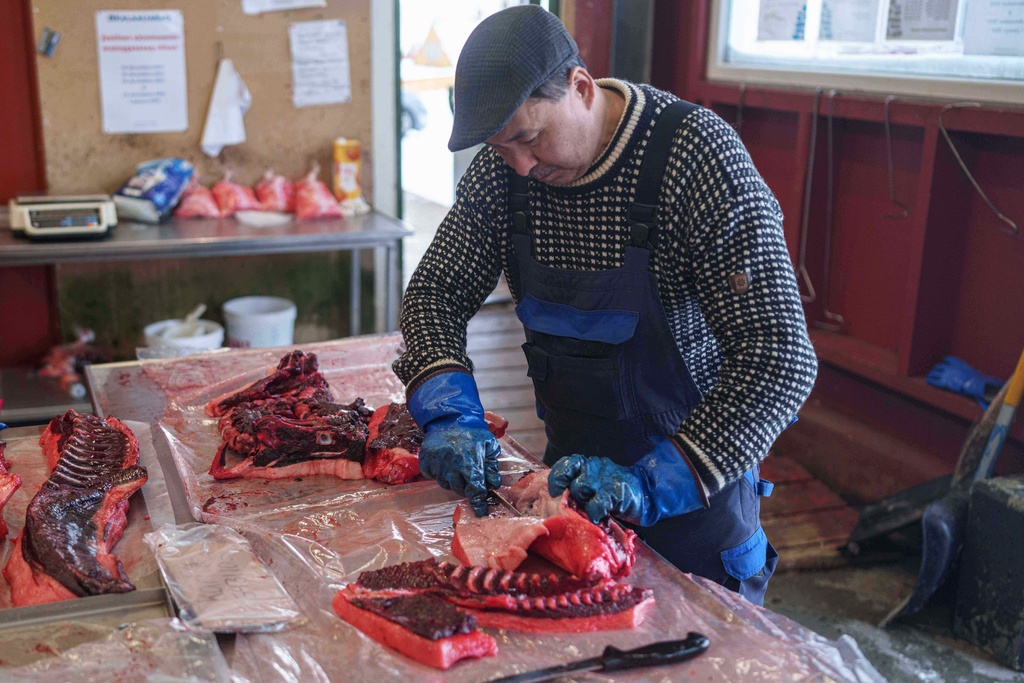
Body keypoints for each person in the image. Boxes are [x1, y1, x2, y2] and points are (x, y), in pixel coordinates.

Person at [394, 5, 817, 605]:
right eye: (500, 147)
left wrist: (651, 484)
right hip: (570, 493)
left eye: (529, 137)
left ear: (581, 87)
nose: (521, 166)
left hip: (696, 497)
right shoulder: (506, 171)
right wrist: (447, 411)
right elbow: (436, 291)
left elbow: (780, 360)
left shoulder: (694, 157)